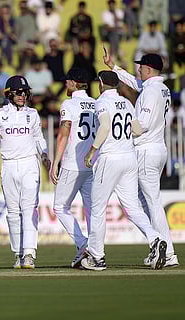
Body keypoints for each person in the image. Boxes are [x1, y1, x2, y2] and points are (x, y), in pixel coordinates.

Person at [81, 71, 167, 271]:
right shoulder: (127, 103)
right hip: (129, 158)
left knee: (98, 208)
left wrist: (92, 151)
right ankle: (155, 238)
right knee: (133, 208)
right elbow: (137, 130)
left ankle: (96, 256)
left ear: (101, 84)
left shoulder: (101, 102)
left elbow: (105, 125)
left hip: (109, 159)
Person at [104, 49, 180, 267]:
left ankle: (168, 252)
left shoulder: (150, 92)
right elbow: (135, 84)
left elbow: (142, 125)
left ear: (148, 69)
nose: (137, 70)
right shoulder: (160, 88)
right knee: (142, 202)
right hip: (157, 149)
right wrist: (114, 67)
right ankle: (159, 248)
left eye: (140, 67)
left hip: (146, 150)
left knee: (152, 203)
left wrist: (120, 129)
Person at [0, 75, 51, 269]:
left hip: (30, 164)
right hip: (8, 165)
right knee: (13, 213)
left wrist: (45, 156)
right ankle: (18, 253)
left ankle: (30, 253)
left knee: (29, 209)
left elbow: (39, 138)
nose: (23, 96)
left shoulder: (33, 114)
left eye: (25, 92)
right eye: (19, 92)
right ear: (9, 94)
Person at [49, 68, 95, 268]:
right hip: (92, 164)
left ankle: (84, 244)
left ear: (74, 83)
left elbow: (63, 134)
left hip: (73, 164)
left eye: (67, 81)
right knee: (92, 209)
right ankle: (95, 250)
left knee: (60, 206)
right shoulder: (96, 103)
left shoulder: (69, 104)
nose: (65, 84)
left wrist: (55, 162)